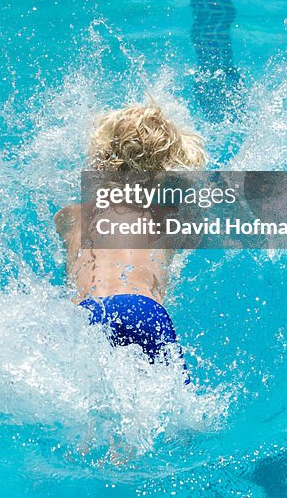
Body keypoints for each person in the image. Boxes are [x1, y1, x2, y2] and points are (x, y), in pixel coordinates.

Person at [54, 101, 205, 374]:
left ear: (100, 161)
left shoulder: (71, 217)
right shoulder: (170, 219)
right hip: (144, 310)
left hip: (88, 313)